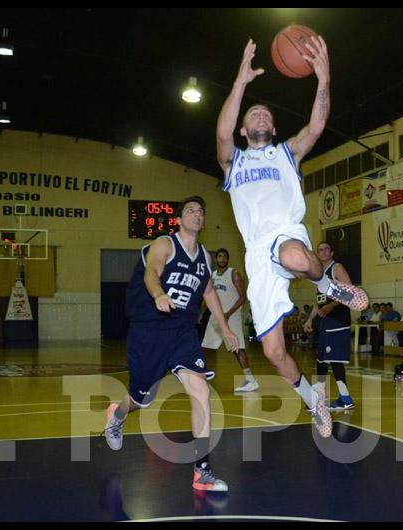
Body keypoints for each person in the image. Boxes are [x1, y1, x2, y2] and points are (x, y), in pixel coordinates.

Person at [216, 37, 368, 438]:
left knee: (297, 258)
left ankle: (328, 285)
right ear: (245, 128)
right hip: (254, 252)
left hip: (285, 234)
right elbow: (220, 133)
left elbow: (317, 126)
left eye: (266, 114)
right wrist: (240, 83)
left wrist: (323, 78)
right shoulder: (233, 162)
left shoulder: (286, 153)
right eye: (254, 115)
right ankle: (312, 399)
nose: (261, 117)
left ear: (274, 126)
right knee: (273, 351)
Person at [103, 197, 238, 492]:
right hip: (149, 330)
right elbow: (152, 271)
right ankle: (118, 414)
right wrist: (158, 294)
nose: (197, 214)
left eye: (201, 211)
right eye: (190, 210)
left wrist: (226, 328)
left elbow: (209, 292)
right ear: (178, 219)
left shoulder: (204, 256)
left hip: (182, 332)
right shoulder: (164, 243)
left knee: (201, 390)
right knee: (142, 400)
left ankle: (202, 471)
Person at [304, 241, 356, 411]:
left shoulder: (337, 268)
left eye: (327, 248)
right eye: (320, 250)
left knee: (334, 360)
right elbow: (318, 302)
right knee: (322, 360)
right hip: (326, 323)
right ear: (317, 254)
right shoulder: (319, 274)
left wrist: (331, 306)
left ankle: (344, 399)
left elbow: (349, 291)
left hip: (338, 321)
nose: (323, 251)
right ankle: (326, 397)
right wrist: (309, 319)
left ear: (332, 252)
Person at [201, 247, 259, 392]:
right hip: (216, 316)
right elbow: (208, 296)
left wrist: (228, 313)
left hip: (231, 316)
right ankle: (200, 376)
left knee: (237, 348)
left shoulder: (234, 274)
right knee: (205, 346)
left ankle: (250, 380)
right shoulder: (213, 275)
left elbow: (242, 297)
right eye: (219, 256)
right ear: (216, 259)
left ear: (227, 259)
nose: (221, 259)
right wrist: (201, 313)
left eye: (224, 256)